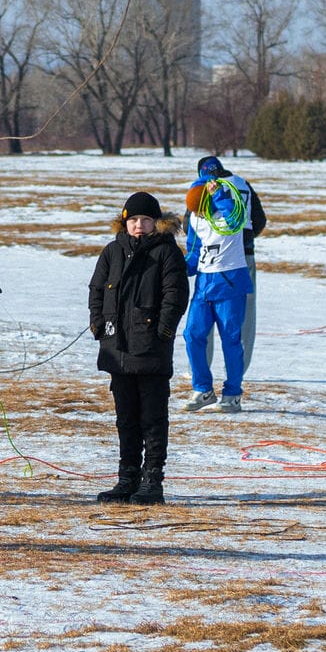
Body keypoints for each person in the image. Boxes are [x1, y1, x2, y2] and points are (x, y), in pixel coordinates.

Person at [89, 191, 189, 505]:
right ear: (124, 222)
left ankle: (152, 480)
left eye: (145, 220)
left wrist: (163, 332)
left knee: (152, 418)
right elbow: (96, 289)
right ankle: (127, 478)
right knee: (126, 418)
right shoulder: (112, 251)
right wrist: (98, 323)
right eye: (133, 219)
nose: (139, 225)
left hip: (151, 348)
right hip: (116, 347)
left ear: (156, 222)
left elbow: (175, 296)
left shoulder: (166, 252)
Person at [180, 154, 267, 414]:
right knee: (192, 334)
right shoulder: (196, 219)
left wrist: (218, 195)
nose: (196, 213)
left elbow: (236, 220)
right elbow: (194, 252)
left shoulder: (230, 214)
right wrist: (178, 269)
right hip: (204, 285)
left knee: (231, 338)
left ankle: (233, 393)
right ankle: (203, 389)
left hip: (230, 282)